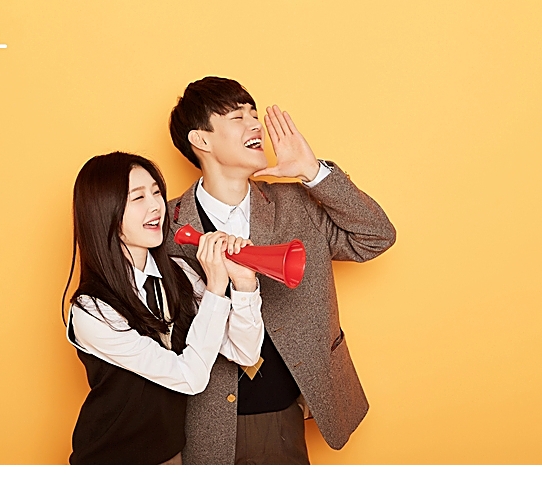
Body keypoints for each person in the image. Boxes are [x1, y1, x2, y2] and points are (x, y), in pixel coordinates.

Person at [166, 77, 397, 464]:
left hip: (283, 413)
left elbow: (376, 237)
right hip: (200, 419)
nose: (255, 125)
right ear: (201, 140)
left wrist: (313, 172)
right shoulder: (165, 225)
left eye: (254, 114)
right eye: (238, 117)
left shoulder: (297, 203)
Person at [62, 152, 264, 465]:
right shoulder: (91, 310)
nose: (156, 205)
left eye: (156, 192)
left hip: (170, 456)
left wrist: (243, 284)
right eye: (138, 197)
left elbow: (245, 353)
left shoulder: (180, 273)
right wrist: (215, 287)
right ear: (105, 212)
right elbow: (190, 377)